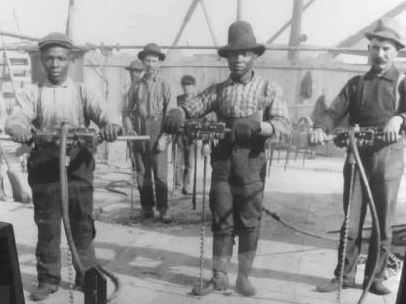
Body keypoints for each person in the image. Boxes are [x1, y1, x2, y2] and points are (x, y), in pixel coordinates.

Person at [163, 21, 290, 296]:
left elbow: (283, 124)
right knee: (221, 220)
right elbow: (194, 105)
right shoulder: (219, 90)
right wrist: (179, 113)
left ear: (255, 56)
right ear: (227, 58)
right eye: (233, 54)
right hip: (222, 165)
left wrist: (260, 127)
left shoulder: (268, 89)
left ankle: (243, 277)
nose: (238, 59)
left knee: (249, 222)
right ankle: (219, 276)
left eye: (244, 54)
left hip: (252, 167)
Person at [5, 32, 121, 301]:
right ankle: (48, 279)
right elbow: (16, 118)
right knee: (47, 227)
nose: (54, 64)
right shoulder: (32, 92)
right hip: (45, 167)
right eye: (48, 59)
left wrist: (111, 125)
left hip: (78, 166)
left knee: (81, 223)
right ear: (42, 61)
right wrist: (19, 128)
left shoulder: (82, 91)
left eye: (60, 58)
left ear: (69, 60)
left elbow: (105, 114)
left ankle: (87, 276)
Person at [311, 18, 406, 295]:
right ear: (369, 51)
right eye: (375, 47)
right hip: (357, 157)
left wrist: (399, 118)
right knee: (351, 221)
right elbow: (332, 112)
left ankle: (374, 278)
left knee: (382, 221)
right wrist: (321, 128)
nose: (380, 53)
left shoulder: (402, 83)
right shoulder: (356, 84)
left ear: (396, 51)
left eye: (387, 48)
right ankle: (344, 275)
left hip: (388, 159)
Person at [123, 43, 173, 223]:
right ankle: (146, 208)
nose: (150, 64)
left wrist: (165, 137)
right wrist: (129, 124)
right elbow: (126, 110)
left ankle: (163, 209)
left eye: (154, 61)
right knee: (142, 171)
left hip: (159, 128)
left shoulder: (165, 84)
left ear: (159, 63)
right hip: (140, 129)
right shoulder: (136, 85)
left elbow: (171, 114)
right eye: (147, 61)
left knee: (160, 173)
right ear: (143, 63)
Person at [173, 75, 198, 196]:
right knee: (178, 163)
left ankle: (187, 187)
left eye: (189, 85)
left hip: (192, 136)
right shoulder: (178, 99)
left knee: (190, 164)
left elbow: (202, 118)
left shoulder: (198, 100)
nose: (186, 88)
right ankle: (178, 187)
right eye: (184, 85)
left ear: (193, 86)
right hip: (180, 134)